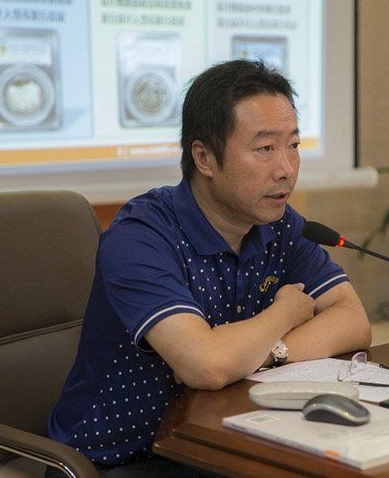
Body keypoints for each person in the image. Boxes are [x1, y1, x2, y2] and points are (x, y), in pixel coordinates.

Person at [47, 59, 372, 476]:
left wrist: (269, 352)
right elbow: (206, 365)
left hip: (222, 440)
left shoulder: (280, 224)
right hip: (117, 461)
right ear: (204, 158)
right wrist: (285, 313)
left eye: (293, 145)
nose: (286, 169)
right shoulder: (140, 236)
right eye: (265, 149)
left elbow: (352, 320)